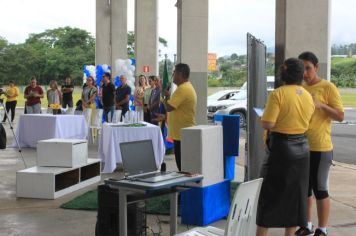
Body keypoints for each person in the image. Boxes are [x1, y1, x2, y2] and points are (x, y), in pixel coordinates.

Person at [256, 58, 315, 236]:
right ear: (301, 75)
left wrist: (262, 117)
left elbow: (268, 123)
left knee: (269, 195)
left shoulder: (278, 94)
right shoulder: (307, 95)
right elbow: (309, 122)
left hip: (281, 149)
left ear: (283, 73)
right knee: (296, 197)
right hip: (303, 148)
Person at [295, 52, 344, 236]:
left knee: (320, 188)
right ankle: (307, 225)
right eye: (302, 69)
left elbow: (340, 116)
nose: (305, 73)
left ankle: (322, 229)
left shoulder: (327, 87)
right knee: (304, 189)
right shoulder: (299, 89)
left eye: (308, 68)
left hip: (321, 147)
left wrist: (321, 105)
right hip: (300, 146)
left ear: (316, 67)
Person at [163, 63, 197, 171]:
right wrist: (168, 97)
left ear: (180, 74)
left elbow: (169, 107)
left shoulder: (183, 89)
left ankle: (185, 186)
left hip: (182, 133)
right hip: (181, 133)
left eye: (174, 73)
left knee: (183, 166)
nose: (173, 75)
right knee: (182, 165)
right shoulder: (185, 87)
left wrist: (164, 98)